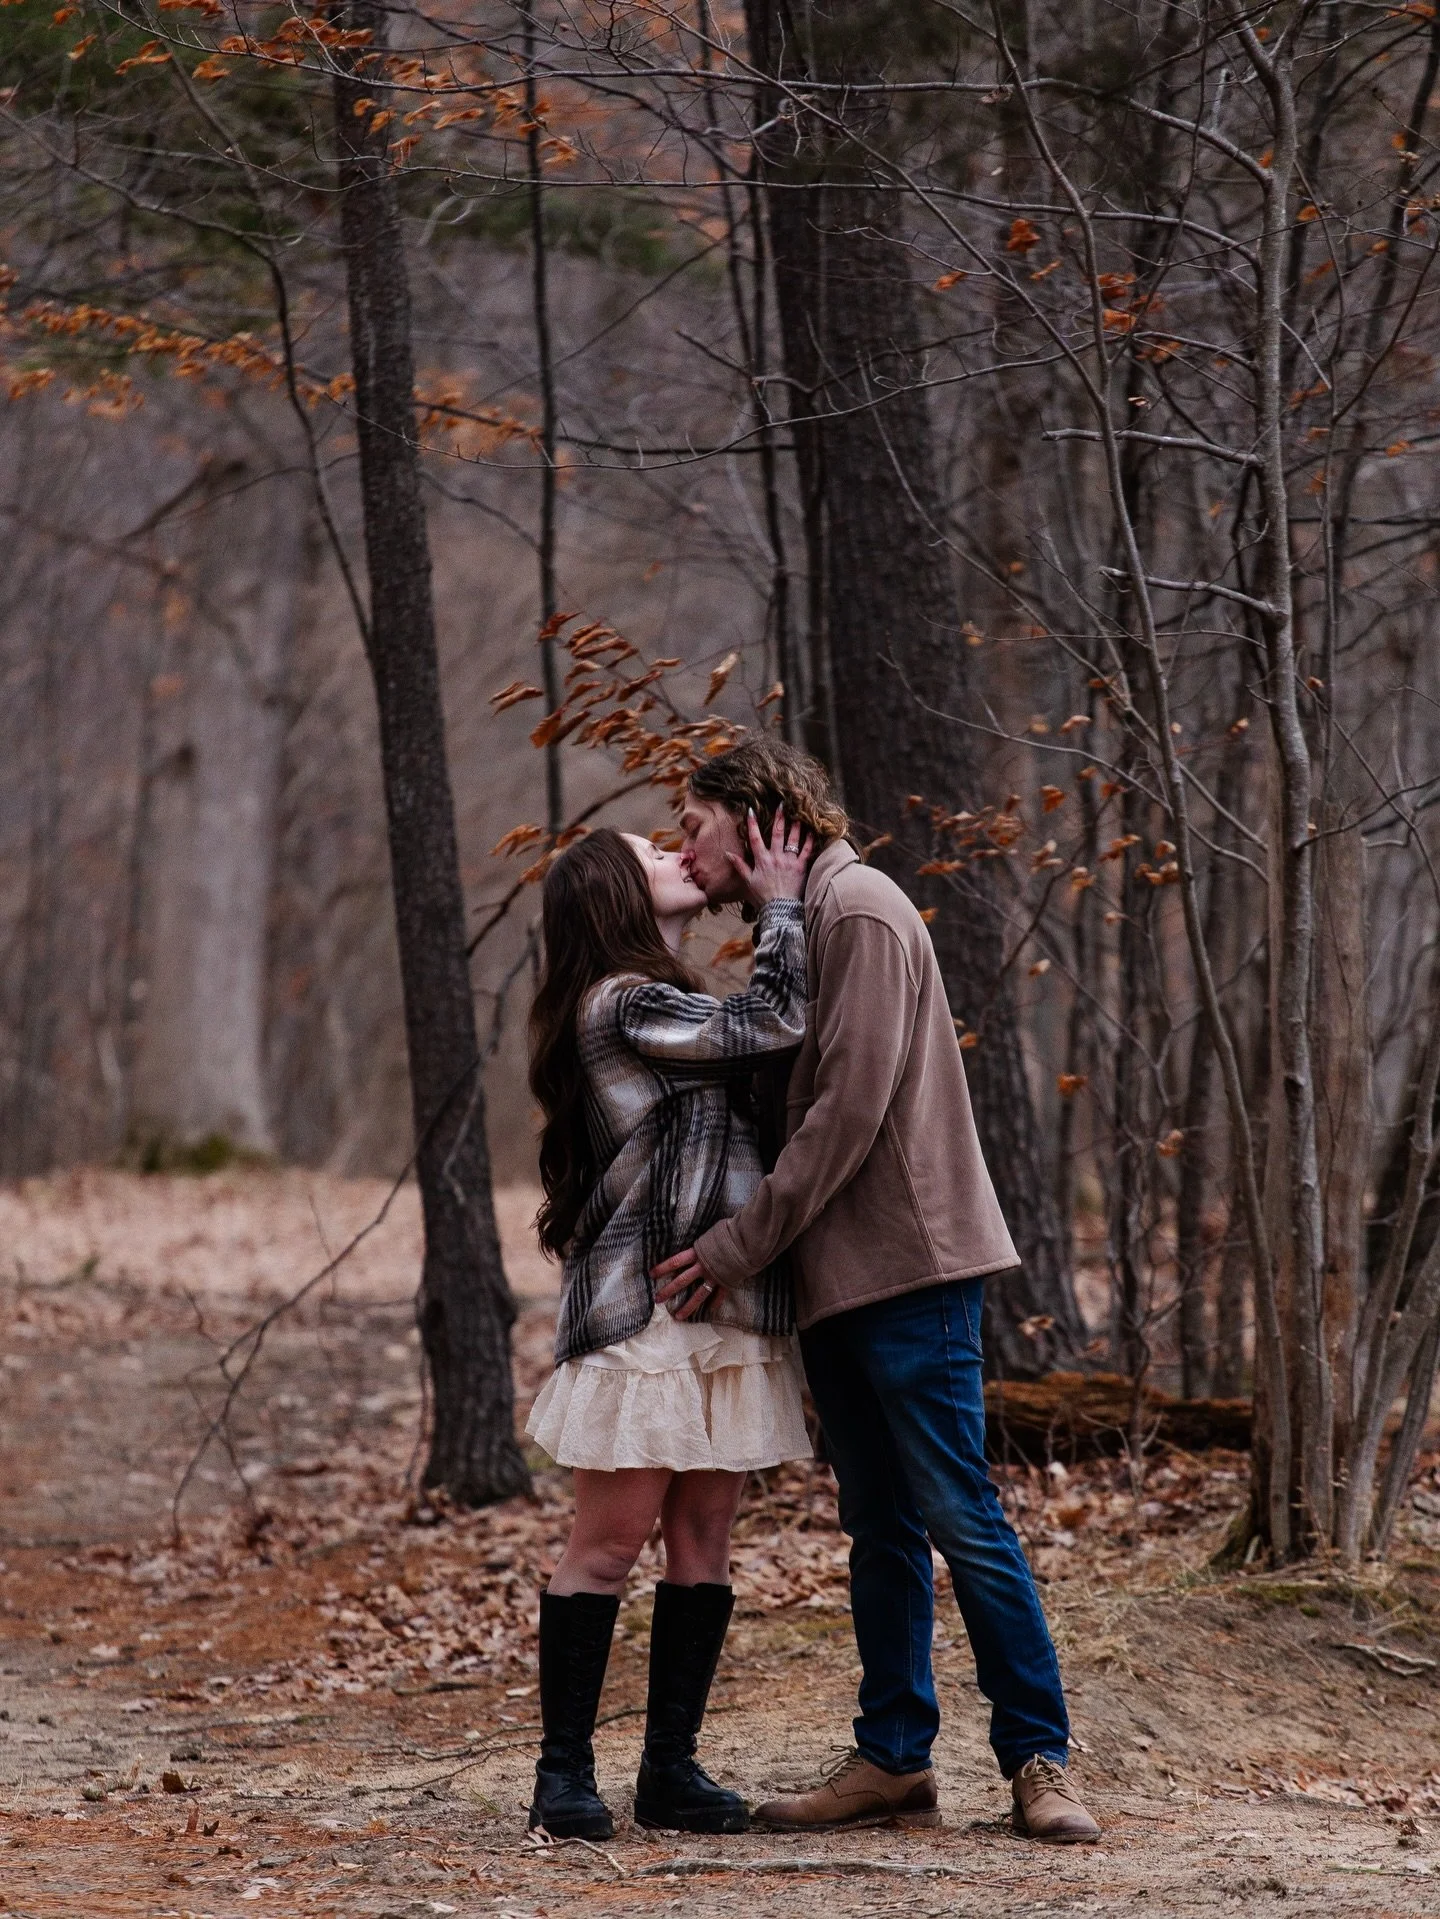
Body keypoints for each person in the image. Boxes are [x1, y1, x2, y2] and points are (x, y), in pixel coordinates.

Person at [653, 738, 1101, 1845]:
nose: (681, 845)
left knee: (960, 1514)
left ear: (756, 822)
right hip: (840, 1279)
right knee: (882, 1525)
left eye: (694, 823)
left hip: (910, 1267)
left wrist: (733, 1248)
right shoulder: (805, 921)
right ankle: (895, 1759)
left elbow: (847, 1111)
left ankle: (1040, 1757)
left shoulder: (858, 910)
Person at [523, 816, 815, 1841]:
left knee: (703, 1537)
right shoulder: (623, 1001)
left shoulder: (667, 992)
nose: (675, 855)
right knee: (609, 1542)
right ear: (613, 893)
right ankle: (563, 1776)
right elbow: (771, 1024)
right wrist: (780, 901)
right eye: (652, 853)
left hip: (719, 1306)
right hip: (642, 1306)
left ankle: (672, 1771)